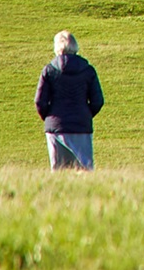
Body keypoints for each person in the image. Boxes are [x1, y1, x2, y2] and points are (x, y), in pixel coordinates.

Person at [34, 29, 105, 170]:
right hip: (81, 126)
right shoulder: (88, 70)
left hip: (56, 127)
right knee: (84, 170)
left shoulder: (49, 70)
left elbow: (40, 101)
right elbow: (97, 101)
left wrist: (50, 117)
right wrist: (84, 114)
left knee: (59, 171)